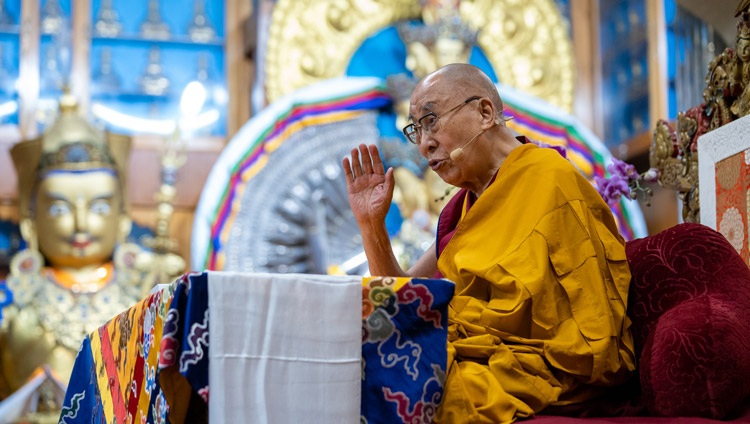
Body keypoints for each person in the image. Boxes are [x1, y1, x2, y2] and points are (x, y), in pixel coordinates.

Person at [342, 63, 635, 423]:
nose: (423, 144)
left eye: (431, 121)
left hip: (524, 369)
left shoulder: (550, 181)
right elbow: (405, 298)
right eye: (415, 130)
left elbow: (594, 335)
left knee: (387, 382)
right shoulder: (463, 209)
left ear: (484, 113)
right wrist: (371, 224)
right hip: (470, 358)